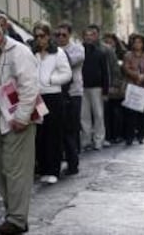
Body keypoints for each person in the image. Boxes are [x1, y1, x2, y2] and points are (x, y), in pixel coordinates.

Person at [0, 17, 38, 234]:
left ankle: (17, 219)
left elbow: (29, 86)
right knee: (0, 170)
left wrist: (22, 117)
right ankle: (13, 213)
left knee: (15, 170)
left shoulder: (19, 52)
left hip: (15, 119)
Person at [32, 21, 72, 184]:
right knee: (39, 134)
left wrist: (50, 80)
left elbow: (67, 74)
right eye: (36, 36)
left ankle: (53, 169)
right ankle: (42, 168)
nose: (39, 39)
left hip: (53, 97)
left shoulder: (58, 53)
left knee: (53, 134)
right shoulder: (31, 53)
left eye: (42, 35)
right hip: (37, 98)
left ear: (48, 36)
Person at [55, 21, 84, 174]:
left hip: (73, 93)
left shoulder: (77, 49)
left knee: (71, 129)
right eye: (57, 35)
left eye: (63, 35)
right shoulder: (53, 49)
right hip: (57, 93)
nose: (60, 38)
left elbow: (68, 63)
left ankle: (73, 163)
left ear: (69, 35)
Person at [81, 27, 109, 150]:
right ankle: (86, 140)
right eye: (86, 35)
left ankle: (99, 140)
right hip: (82, 87)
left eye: (91, 35)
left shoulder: (100, 53)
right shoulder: (79, 51)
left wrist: (105, 90)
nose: (88, 37)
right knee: (84, 115)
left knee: (98, 114)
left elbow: (105, 73)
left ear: (95, 37)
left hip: (97, 87)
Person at [123, 34, 144, 145]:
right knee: (130, 113)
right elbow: (125, 68)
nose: (137, 44)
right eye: (135, 42)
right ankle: (129, 136)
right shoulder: (128, 55)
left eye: (139, 42)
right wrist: (136, 75)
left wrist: (143, 76)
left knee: (143, 112)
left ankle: (141, 134)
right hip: (132, 86)